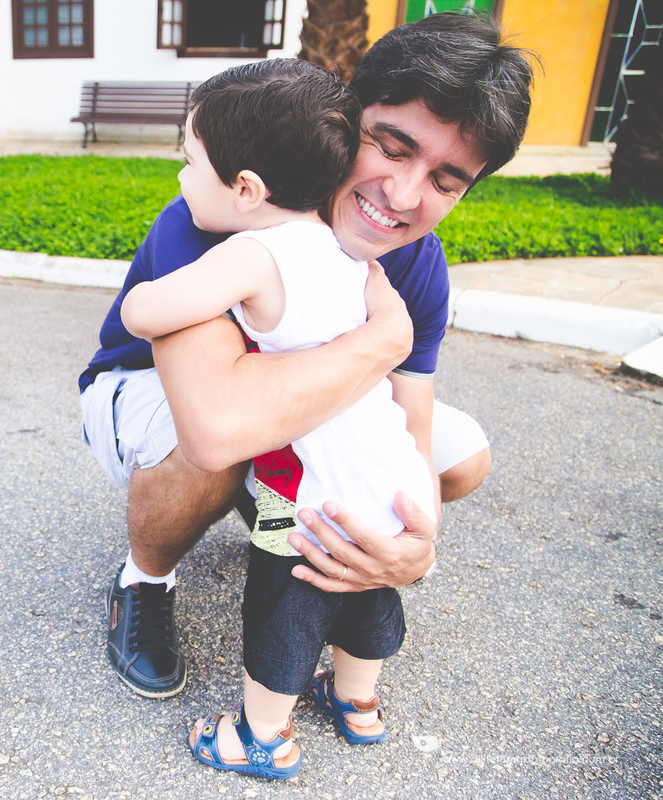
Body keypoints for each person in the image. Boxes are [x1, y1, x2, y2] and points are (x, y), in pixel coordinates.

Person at [79, 12, 534, 701]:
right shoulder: (229, 213)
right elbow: (217, 424)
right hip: (148, 395)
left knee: (459, 457)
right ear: (348, 117)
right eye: (392, 145)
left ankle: (290, 518)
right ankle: (143, 579)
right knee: (220, 451)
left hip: (297, 401)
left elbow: (411, 425)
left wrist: (417, 543)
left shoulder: (418, 263)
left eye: (446, 180)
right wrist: (380, 341)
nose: (404, 197)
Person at [119, 58, 435, 779]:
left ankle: (262, 736)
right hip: (385, 477)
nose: (179, 180)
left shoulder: (254, 253)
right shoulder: (353, 253)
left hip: (313, 489)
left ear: (247, 189)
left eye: (188, 162)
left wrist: (157, 295)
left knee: (285, 605)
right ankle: (358, 706)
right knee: (366, 591)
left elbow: (144, 311)